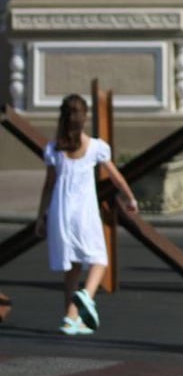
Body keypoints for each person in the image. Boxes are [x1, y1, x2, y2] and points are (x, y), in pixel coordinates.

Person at [34, 94, 139, 336]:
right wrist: (130, 198)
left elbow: (48, 185)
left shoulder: (54, 149)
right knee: (99, 259)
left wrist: (41, 216)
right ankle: (87, 295)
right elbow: (116, 176)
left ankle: (70, 318)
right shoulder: (95, 147)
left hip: (61, 213)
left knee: (71, 266)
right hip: (84, 212)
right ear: (85, 118)